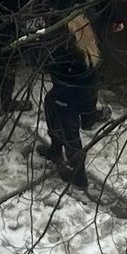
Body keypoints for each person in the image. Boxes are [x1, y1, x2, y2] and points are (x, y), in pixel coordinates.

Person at [37, 12, 102, 190]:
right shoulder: (82, 40)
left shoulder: (65, 47)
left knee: (69, 132)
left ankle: (78, 174)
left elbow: (47, 64)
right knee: (50, 104)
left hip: (69, 95)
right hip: (76, 91)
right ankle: (55, 149)